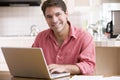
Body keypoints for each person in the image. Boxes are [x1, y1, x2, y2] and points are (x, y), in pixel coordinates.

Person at [32, 0, 96, 75]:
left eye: (58, 14)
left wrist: (64, 68)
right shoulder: (40, 37)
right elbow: (33, 62)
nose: (54, 20)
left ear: (66, 14)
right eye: (49, 17)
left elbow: (89, 66)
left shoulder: (84, 37)